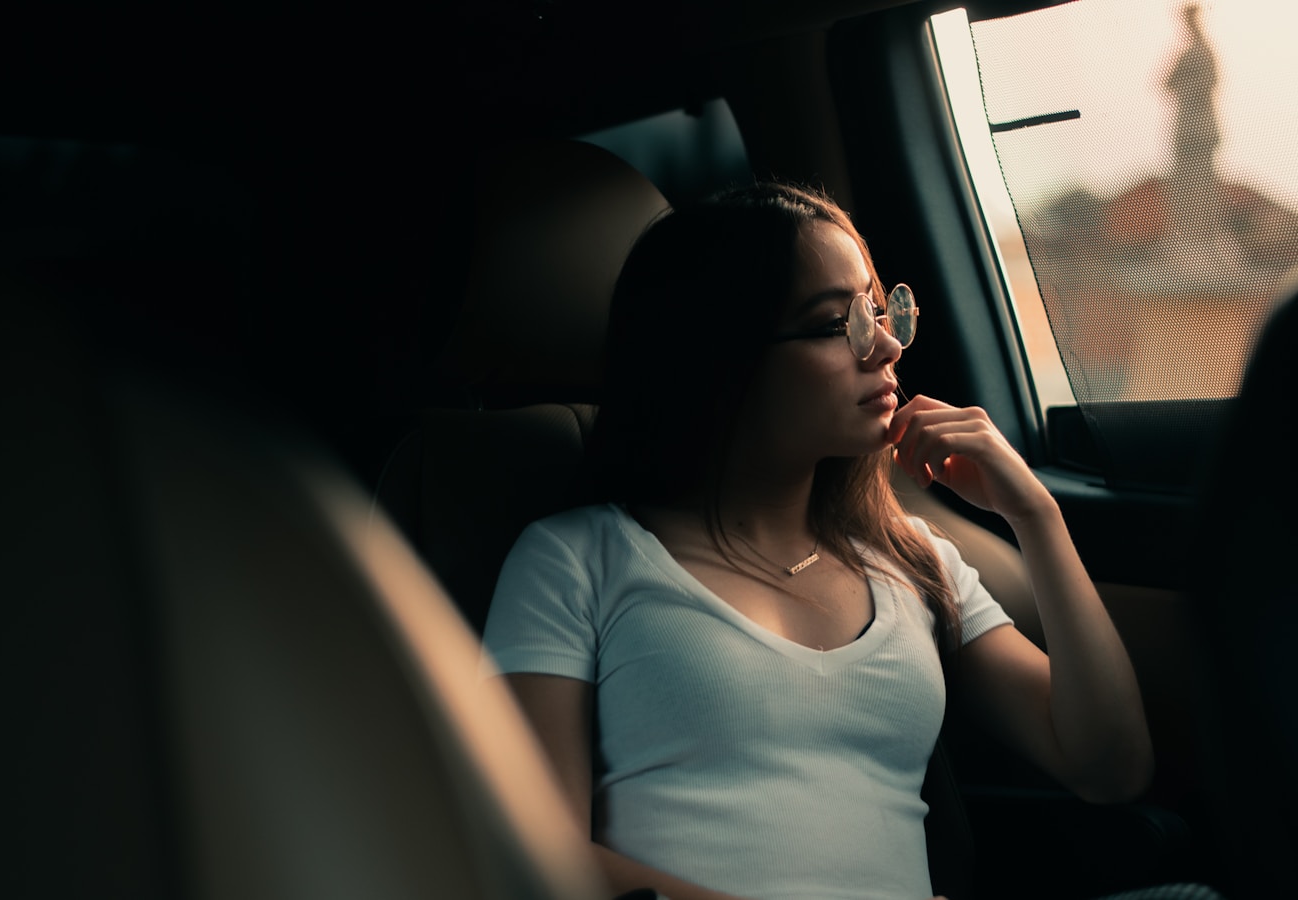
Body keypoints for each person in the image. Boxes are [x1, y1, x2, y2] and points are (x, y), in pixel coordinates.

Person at [483, 182, 1153, 900]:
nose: (889, 345)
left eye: (881, 309)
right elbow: (535, 856)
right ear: (723, 356)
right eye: (842, 324)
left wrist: (1037, 516)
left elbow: (1109, 769)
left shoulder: (915, 561)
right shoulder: (575, 561)